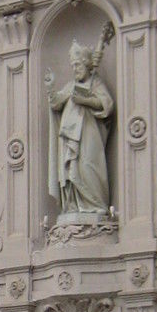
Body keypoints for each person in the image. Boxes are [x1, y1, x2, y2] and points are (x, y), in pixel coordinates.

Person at [45, 33, 114, 216]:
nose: (75, 69)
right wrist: (51, 87)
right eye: (73, 65)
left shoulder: (95, 83)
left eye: (78, 65)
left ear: (86, 65)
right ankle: (74, 207)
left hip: (89, 136)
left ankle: (96, 206)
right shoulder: (70, 86)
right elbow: (56, 102)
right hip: (70, 138)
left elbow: (106, 104)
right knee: (72, 171)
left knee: (88, 167)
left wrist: (85, 100)